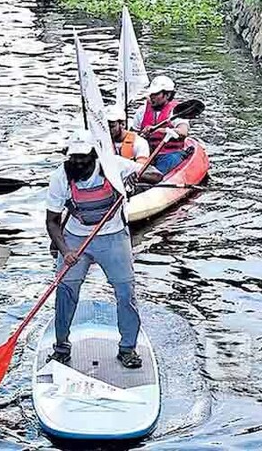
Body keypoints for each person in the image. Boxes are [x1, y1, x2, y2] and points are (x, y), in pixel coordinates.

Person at [45, 130, 163, 369]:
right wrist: (65, 250)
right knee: (65, 291)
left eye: (83, 158)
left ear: (94, 155)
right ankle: (61, 348)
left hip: (113, 237)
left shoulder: (113, 166)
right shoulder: (60, 176)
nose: (78, 163)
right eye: (73, 158)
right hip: (76, 239)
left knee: (125, 293)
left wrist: (136, 176)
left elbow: (156, 175)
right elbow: (52, 221)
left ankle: (128, 349)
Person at [132, 75, 191, 173]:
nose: (152, 97)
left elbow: (183, 132)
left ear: (167, 95)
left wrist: (157, 130)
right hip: (148, 153)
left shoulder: (176, 111)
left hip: (170, 153)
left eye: (156, 94)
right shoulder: (142, 111)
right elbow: (133, 134)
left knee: (163, 167)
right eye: (151, 93)